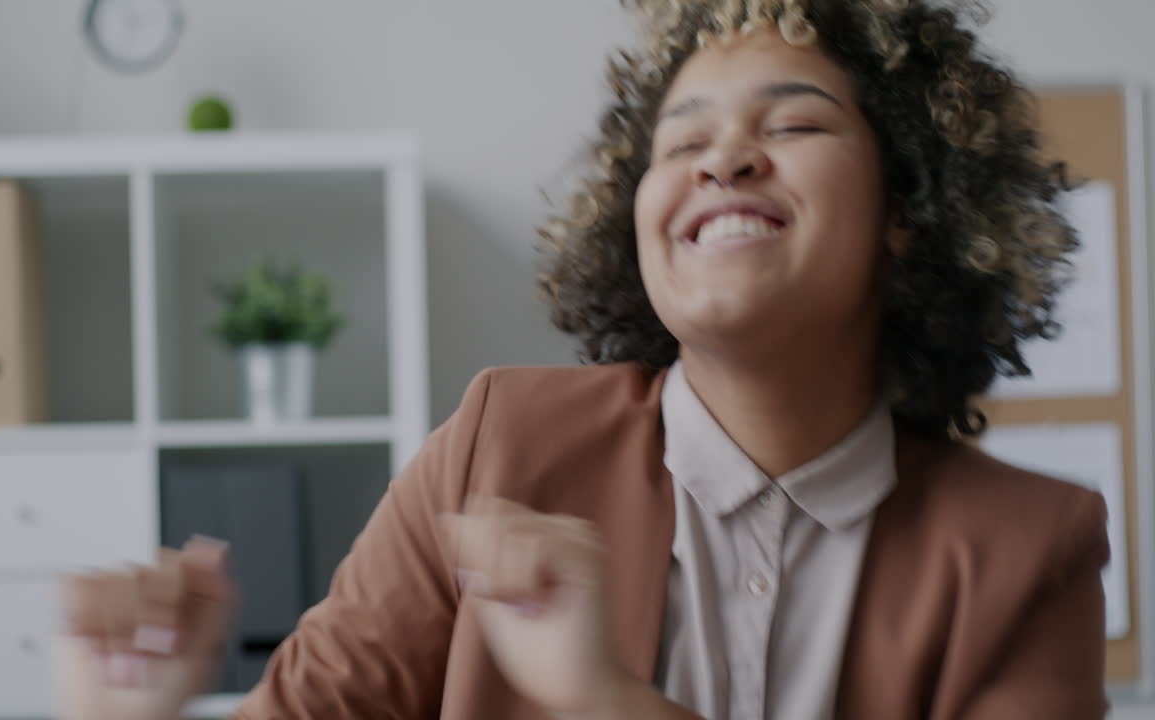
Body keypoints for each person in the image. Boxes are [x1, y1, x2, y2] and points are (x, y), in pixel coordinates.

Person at [57, 0, 1111, 718]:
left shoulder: (1029, 549)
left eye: (792, 123)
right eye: (678, 143)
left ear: (908, 214)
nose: (722, 159)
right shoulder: (496, 445)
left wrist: (606, 699)